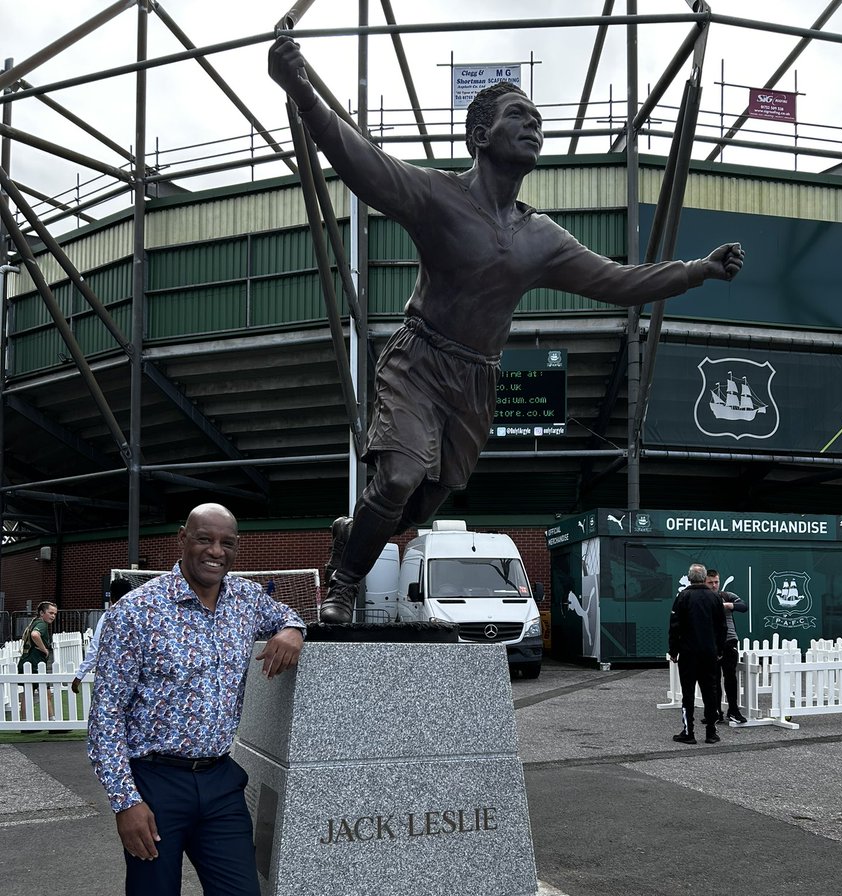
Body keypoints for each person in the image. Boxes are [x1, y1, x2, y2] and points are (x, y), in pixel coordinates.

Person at [268, 38, 746, 624]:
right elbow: (361, 164)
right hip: (420, 360)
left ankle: (354, 534)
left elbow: (619, 282)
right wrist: (301, 92)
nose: (533, 126)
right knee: (397, 475)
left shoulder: (541, 237)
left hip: (476, 379)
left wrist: (698, 269)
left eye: (538, 120)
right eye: (518, 116)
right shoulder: (437, 195)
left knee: (419, 499)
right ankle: (343, 585)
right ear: (480, 137)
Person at [87, 504, 305, 896]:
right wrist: (125, 800)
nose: (216, 551)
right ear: (181, 541)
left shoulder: (244, 601)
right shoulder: (138, 613)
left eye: (227, 542)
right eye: (203, 539)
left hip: (217, 781)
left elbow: (288, 615)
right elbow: (104, 715)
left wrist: (291, 630)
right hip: (153, 785)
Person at [668, 563, 726, 746]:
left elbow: (674, 626)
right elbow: (722, 627)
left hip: (688, 652)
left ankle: (688, 732)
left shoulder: (683, 597)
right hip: (709, 652)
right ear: (703, 578)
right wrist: (719, 650)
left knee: (688, 693)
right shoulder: (715, 597)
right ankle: (711, 732)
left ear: (689, 577)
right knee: (710, 692)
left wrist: (674, 650)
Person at [71, 578, 132, 695]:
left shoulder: (109, 616)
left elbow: (96, 647)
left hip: (115, 676)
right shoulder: (143, 614)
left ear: (112, 597)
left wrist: (80, 675)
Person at [705, 568, 749, 724]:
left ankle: (733, 710)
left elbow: (744, 606)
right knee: (713, 679)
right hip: (710, 642)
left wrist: (728, 605)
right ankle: (715, 712)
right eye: (710, 582)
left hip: (729, 641)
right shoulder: (702, 598)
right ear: (704, 582)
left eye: (716, 582)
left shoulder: (726, 595)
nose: (714, 585)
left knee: (730, 677)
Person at [18, 600, 58, 721]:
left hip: (27, 661)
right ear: (41, 613)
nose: (53, 616)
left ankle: (25, 722)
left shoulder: (34, 622)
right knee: (46, 693)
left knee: (28, 692)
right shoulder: (41, 624)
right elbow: (35, 635)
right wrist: (44, 649)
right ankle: (52, 721)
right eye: (50, 612)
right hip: (35, 663)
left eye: (55, 614)